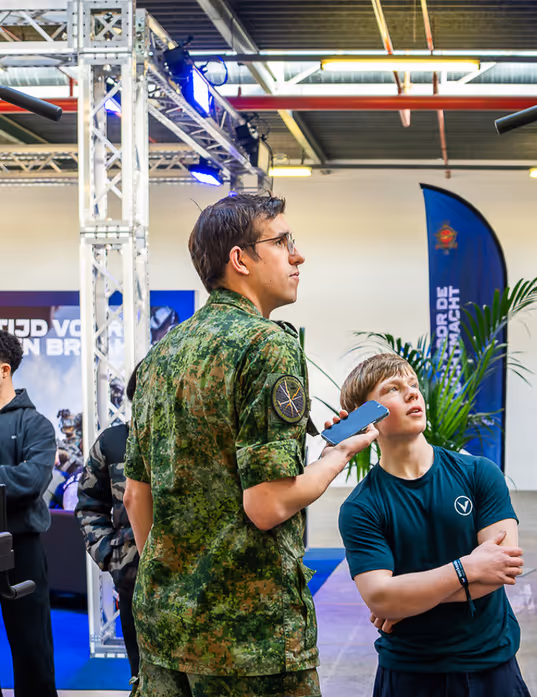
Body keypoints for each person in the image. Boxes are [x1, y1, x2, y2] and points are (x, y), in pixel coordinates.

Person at [123, 193, 377, 697]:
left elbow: (135, 496)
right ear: (240, 259)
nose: (297, 255)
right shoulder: (268, 345)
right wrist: (336, 456)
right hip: (250, 645)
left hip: (165, 630)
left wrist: (179, 585)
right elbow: (267, 504)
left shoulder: (162, 355)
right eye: (282, 241)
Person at [335, 353, 528, 696]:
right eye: (392, 389)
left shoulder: (478, 473)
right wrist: (466, 566)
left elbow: (501, 570)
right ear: (366, 419)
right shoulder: (361, 507)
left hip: (491, 665)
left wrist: (404, 601)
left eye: (412, 384)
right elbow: (381, 597)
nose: (412, 393)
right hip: (410, 673)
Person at [76, 363, 144, 690]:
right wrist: (111, 557)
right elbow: (89, 504)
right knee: (142, 671)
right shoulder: (113, 442)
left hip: (188, 580)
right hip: (133, 577)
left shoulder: (191, 445)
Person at [0, 328, 58, 697]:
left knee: (32, 650)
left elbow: (30, 481)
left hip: (21, 550)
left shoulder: (36, 425)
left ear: (4, 370)